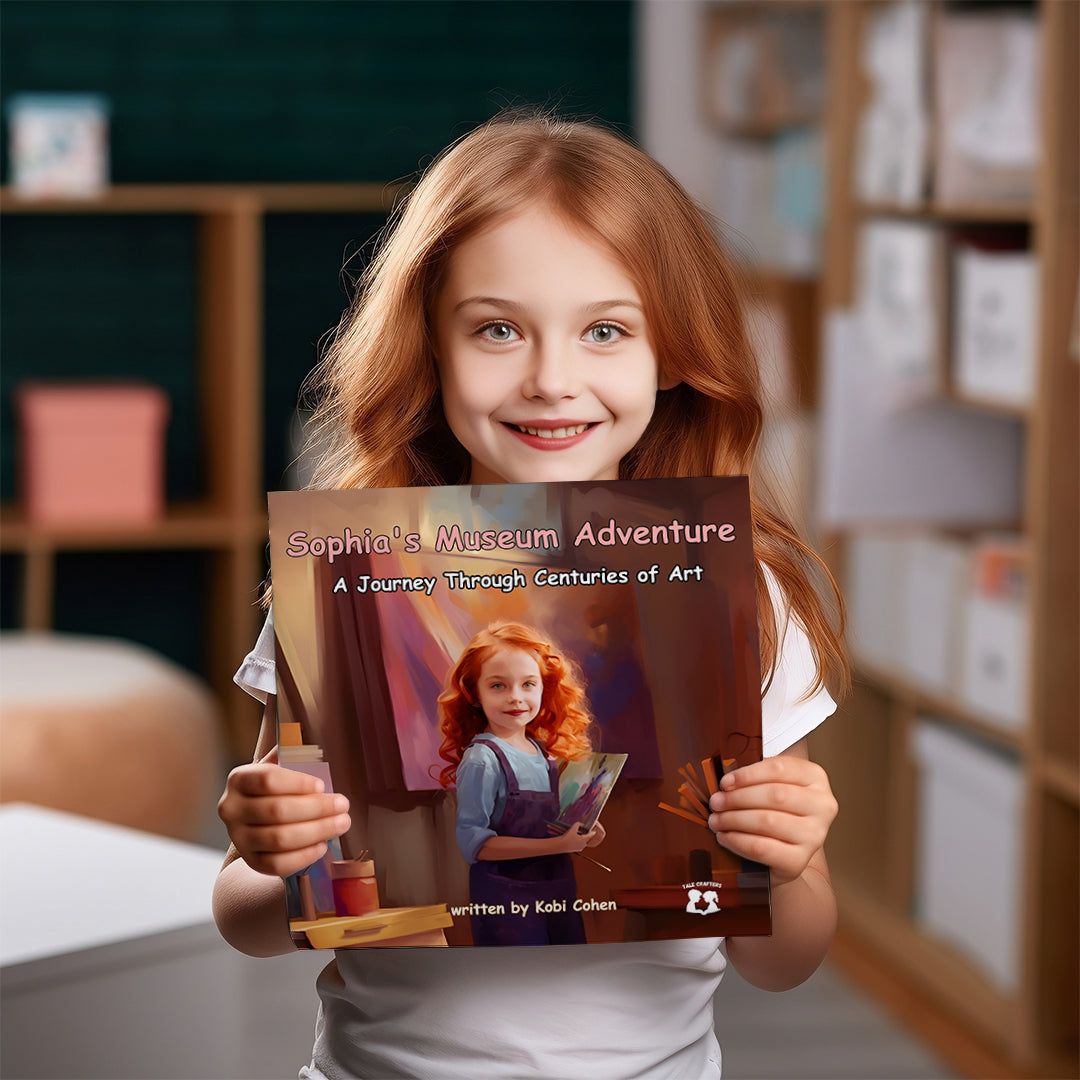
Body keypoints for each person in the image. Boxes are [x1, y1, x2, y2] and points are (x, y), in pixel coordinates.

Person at [214, 110, 848, 1079]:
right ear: (430, 346)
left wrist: (787, 859)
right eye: (499, 329)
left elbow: (784, 962)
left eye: (605, 331)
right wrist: (269, 854)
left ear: (669, 353)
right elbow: (252, 924)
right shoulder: (346, 583)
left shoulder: (745, 602)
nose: (553, 381)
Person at [436, 620, 604, 947]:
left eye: (528, 684)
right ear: (475, 694)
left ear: (544, 688)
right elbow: (476, 845)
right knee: (522, 982)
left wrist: (588, 833)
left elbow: (558, 829)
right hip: (505, 902)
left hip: (559, 891)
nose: (516, 698)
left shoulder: (546, 756)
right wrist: (559, 846)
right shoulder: (482, 759)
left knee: (568, 977)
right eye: (498, 686)